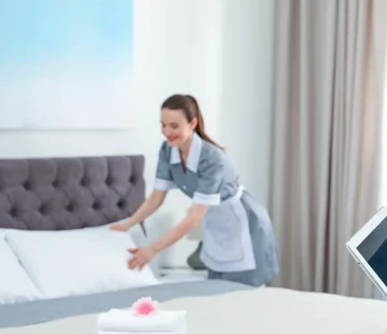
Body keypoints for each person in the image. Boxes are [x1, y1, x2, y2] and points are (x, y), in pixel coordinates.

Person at [110, 94, 279, 287]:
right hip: (215, 223)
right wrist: (128, 224)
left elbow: (194, 218)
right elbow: (156, 198)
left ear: (192, 124)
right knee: (219, 290)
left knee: (246, 292)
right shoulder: (167, 150)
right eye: (163, 124)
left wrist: (152, 250)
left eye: (174, 126)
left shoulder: (212, 159)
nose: (167, 131)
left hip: (243, 224)